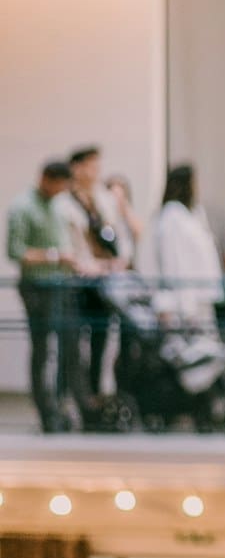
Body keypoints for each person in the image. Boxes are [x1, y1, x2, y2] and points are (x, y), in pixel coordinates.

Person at [7, 160, 77, 432]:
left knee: (65, 348)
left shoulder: (59, 206)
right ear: (47, 179)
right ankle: (45, 409)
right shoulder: (23, 207)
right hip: (38, 287)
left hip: (60, 284)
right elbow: (16, 252)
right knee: (43, 349)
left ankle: (61, 405)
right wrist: (55, 256)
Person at [57, 146, 128, 411]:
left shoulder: (103, 199)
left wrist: (113, 261)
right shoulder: (63, 202)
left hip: (103, 280)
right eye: (90, 166)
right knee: (72, 348)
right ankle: (70, 401)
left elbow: (114, 234)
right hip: (75, 282)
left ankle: (95, 403)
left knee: (101, 342)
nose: (95, 172)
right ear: (76, 167)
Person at [137, 164, 224, 328]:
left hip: (199, 297)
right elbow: (174, 261)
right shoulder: (172, 215)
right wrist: (185, 305)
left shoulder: (192, 214)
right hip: (183, 301)